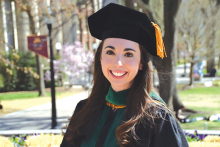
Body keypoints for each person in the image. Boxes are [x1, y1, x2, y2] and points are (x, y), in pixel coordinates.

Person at [60, 3, 189, 147]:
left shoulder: (157, 118)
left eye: (128, 54)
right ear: (100, 58)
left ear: (141, 63)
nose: (118, 63)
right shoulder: (85, 110)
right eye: (110, 52)